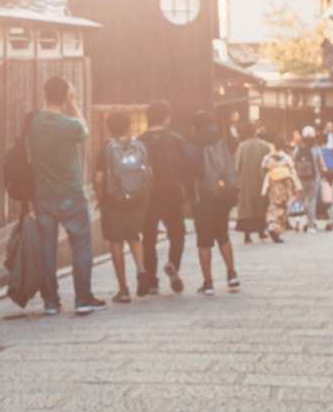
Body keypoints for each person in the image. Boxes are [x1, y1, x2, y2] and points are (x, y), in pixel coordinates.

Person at [29, 76, 105, 315]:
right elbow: (84, 130)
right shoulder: (70, 125)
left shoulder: (34, 121)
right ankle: (82, 299)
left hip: (43, 196)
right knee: (81, 246)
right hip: (70, 193)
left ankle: (51, 301)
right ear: (65, 96)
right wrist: (73, 103)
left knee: (47, 249)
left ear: (43, 94)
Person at [92, 112, 150, 303]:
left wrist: (100, 197)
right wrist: (145, 195)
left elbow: (100, 179)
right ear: (127, 126)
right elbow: (149, 173)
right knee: (134, 238)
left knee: (116, 243)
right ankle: (141, 268)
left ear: (109, 127)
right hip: (136, 199)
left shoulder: (106, 148)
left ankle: (123, 288)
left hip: (112, 201)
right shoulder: (139, 146)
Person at [183, 111, 240, 294]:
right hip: (222, 197)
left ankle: (208, 282)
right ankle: (232, 274)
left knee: (204, 242)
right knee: (223, 236)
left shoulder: (192, 148)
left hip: (203, 200)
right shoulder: (222, 142)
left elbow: (189, 175)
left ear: (195, 127)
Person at [137, 101, 188, 294]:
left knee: (148, 238)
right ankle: (173, 263)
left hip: (147, 197)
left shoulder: (140, 141)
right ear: (167, 117)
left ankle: (151, 279)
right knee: (177, 234)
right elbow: (185, 169)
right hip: (172, 194)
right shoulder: (177, 140)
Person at [232, 121, 271, 242]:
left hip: (245, 183)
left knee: (247, 208)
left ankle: (247, 235)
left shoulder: (242, 146)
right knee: (260, 206)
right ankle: (261, 231)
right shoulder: (265, 145)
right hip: (261, 181)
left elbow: (237, 166)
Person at [261, 144, 300, 242]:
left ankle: (271, 225)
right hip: (284, 186)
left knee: (272, 207)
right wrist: (296, 186)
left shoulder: (268, 158)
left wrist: (264, 187)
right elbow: (292, 172)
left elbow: (263, 170)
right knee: (283, 208)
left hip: (272, 186)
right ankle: (279, 232)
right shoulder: (286, 158)